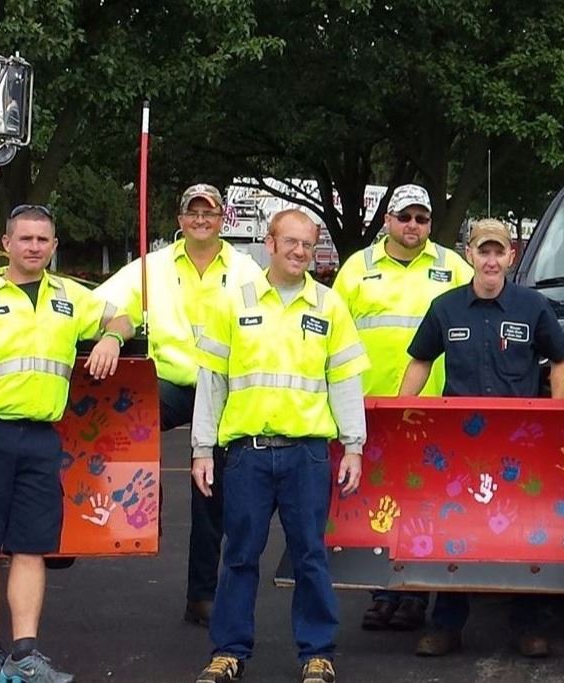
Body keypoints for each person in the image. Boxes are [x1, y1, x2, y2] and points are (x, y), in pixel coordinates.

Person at [0, 205, 136, 683]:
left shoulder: (70, 298)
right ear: (6, 244)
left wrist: (112, 340)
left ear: (54, 246)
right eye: (25, 239)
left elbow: (122, 316)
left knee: (31, 545)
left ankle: (25, 652)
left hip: (40, 439)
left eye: (43, 240)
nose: (34, 247)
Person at [189, 210, 369, 683]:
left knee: (310, 554)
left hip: (307, 454)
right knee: (240, 554)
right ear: (268, 244)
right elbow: (212, 383)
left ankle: (317, 654)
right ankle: (228, 653)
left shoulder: (329, 307)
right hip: (246, 453)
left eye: (308, 245)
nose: (299, 252)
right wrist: (201, 449)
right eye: (290, 242)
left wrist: (353, 446)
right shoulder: (232, 304)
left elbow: (345, 380)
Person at [399, 219, 564, 659]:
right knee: (455, 527)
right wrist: (399, 413)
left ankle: (528, 624)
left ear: (511, 257)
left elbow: (561, 358)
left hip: (520, 442)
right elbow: (420, 361)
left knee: (526, 529)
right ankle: (446, 625)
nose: (492, 260)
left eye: (499, 252)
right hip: (459, 444)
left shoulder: (533, 307)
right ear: (470, 255)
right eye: (483, 251)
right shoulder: (445, 308)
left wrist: (556, 411)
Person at [95, 183, 263, 628]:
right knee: (121, 433)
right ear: (180, 219)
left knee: (211, 490)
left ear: (223, 217)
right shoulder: (151, 268)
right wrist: (114, 333)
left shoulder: (247, 270)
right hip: (168, 381)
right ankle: (114, 514)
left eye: (209, 212)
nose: (201, 220)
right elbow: (103, 307)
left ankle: (202, 596)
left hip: (223, 386)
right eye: (193, 212)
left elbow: (264, 324)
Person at [332, 183, 472, 632]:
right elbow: (333, 333)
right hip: (371, 405)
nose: (413, 226)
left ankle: (414, 592)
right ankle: (383, 592)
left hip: (434, 406)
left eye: (422, 219)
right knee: (377, 500)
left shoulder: (453, 266)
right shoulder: (357, 268)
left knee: (424, 499)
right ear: (388, 220)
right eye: (405, 217)